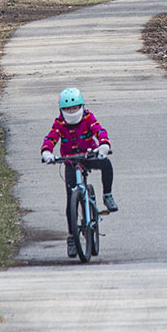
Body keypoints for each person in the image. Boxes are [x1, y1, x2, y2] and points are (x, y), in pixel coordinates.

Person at [40, 87, 117, 258]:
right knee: (71, 200)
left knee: (106, 164)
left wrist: (104, 145)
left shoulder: (88, 117)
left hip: (89, 154)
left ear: (81, 106)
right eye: (68, 109)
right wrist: (47, 152)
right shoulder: (60, 123)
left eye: (75, 107)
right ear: (62, 110)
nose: (72, 111)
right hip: (70, 160)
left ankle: (107, 195)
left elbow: (100, 130)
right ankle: (71, 237)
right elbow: (51, 137)